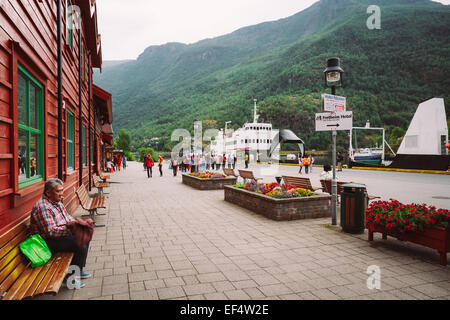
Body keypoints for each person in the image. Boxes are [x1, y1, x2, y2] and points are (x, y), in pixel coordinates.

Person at [30, 178, 92, 289]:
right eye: (58, 191)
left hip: (58, 236)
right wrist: (72, 229)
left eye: (62, 190)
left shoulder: (56, 202)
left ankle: (79, 269)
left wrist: (77, 224)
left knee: (84, 236)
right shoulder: (43, 207)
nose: (61, 194)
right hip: (45, 243)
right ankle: (70, 279)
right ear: (48, 193)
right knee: (79, 242)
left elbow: (67, 218)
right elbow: (51, 232)